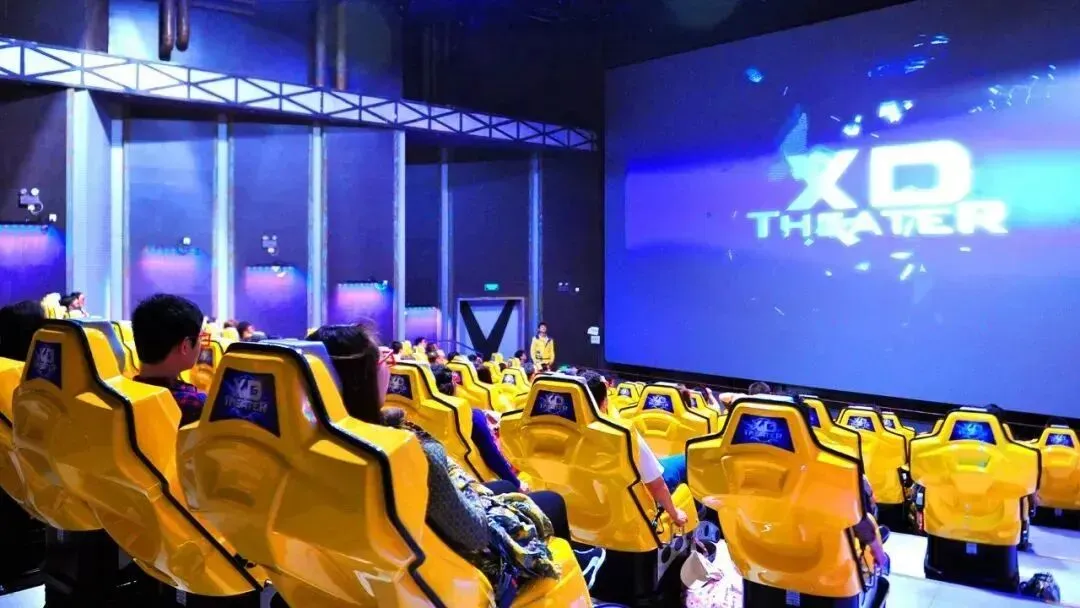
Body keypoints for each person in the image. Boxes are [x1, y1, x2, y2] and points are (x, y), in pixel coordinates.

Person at [307, 323, 567, 600]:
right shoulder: (408, 450)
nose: (390, 368)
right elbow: (474, 534)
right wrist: (465, 486)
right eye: (383, 360)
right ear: (361, 379)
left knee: (503, 486)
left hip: (347, 576)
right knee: (553, 501)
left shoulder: (311, 445)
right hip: (444, 572)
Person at [582, 371, 688, 527]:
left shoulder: (563, 433)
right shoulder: (622, 433)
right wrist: (675, 514)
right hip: (632, 507)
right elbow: (656, 485)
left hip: (587, 511)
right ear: (604, 401)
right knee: (686, 459)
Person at [431, 364, 527, 492]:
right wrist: (517, 484)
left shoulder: (414, 419)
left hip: (441, 482)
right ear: (453, 385)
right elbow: (492, 455)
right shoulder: (471, 416)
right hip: (477, 484)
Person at [131, 294, 207, 427]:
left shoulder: (124, 395)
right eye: (201, 337)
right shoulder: (197, 406)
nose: (202, 345)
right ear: (185, 346)